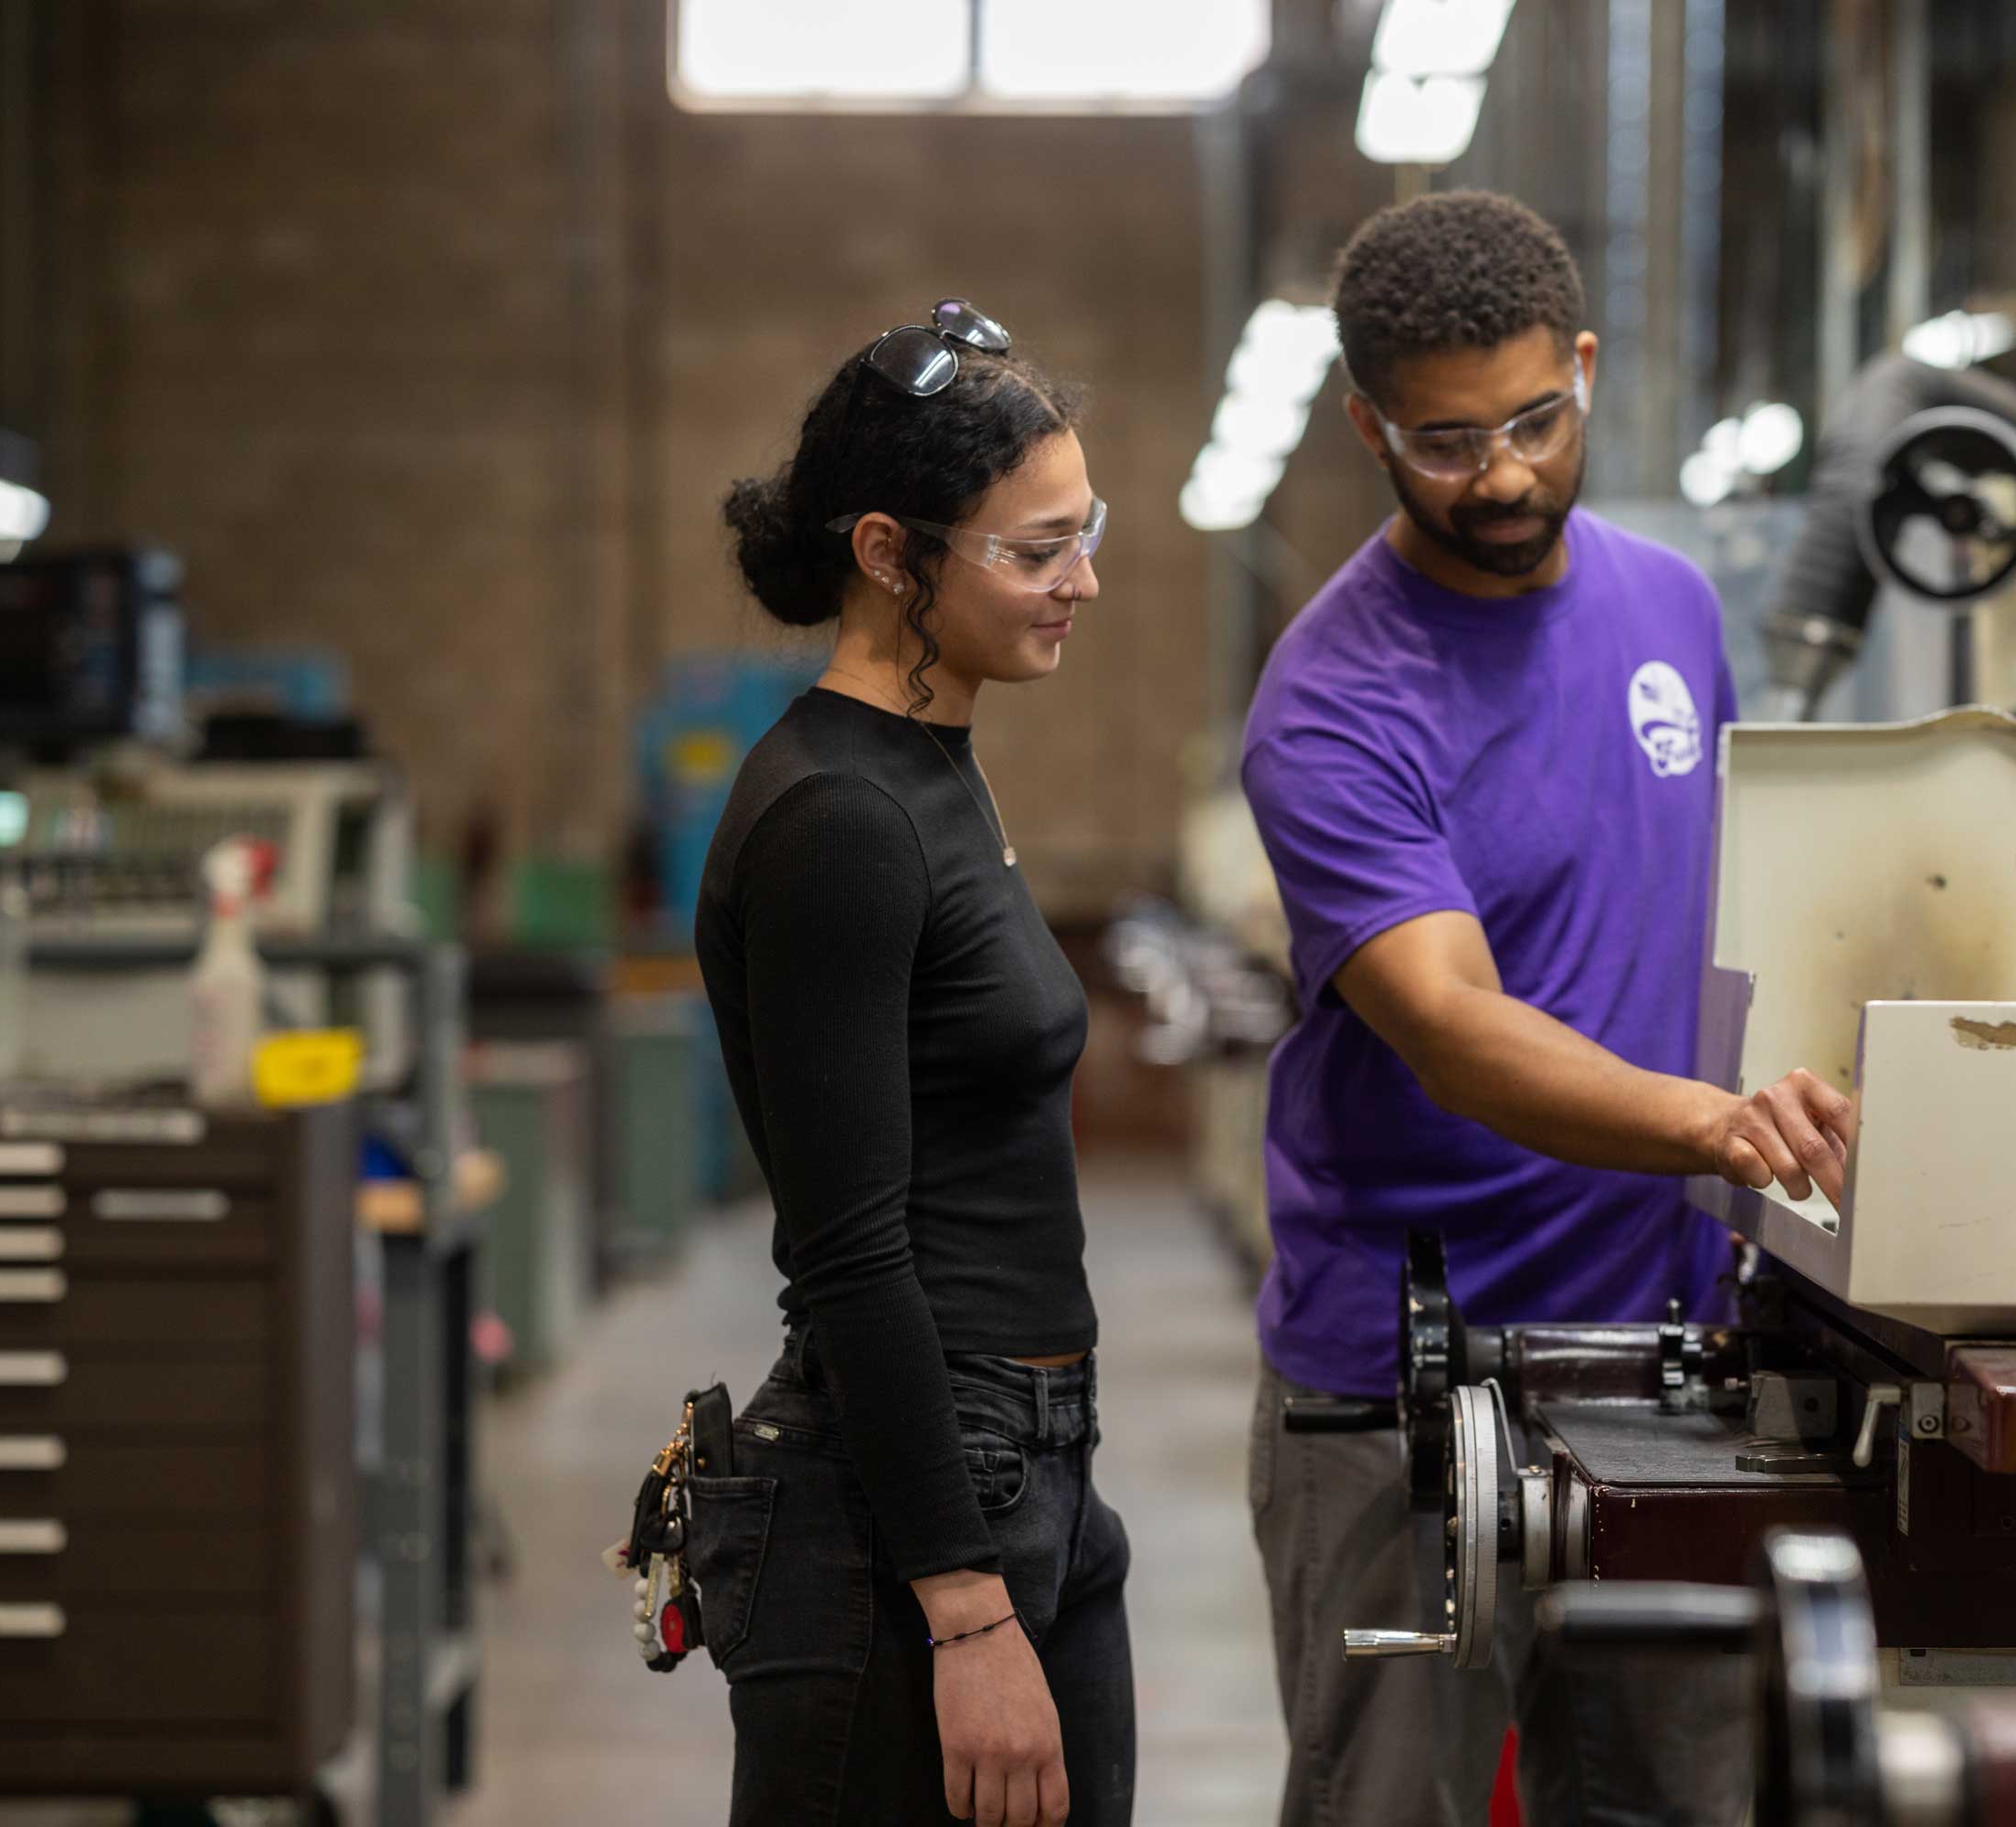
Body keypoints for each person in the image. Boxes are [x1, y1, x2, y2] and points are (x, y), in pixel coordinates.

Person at [1241, 194, 1855, 1825]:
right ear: (1367, 422)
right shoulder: (1334, 698)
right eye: (1446, 443)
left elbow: (1732, 923)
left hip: (1669, 1371)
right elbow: (1449, 1021)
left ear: (1583, 366)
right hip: (1401, 1391)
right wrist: (1712, 1127)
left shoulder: (1672, 611)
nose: (1503, 475)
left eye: (1534, 419)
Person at [688, 301, 1131, 1827]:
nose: (1080, 582)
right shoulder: (838, 823)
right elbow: (851, 1254)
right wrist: (968, 1610)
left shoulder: (933, 762)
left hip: (1033, 1464)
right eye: (1033, 550)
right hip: (916, 1510)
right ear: (891, 554)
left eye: (1085, 534)